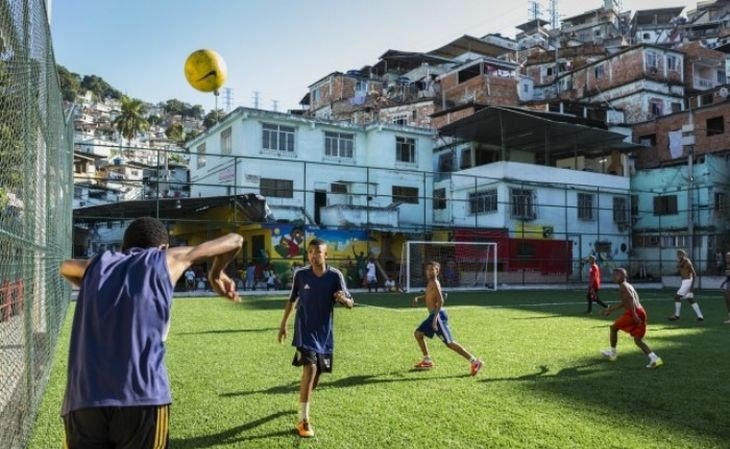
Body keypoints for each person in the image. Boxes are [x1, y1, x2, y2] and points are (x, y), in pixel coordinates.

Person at [59, 217, 244, 449]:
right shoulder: (166, 259)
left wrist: (96, 285)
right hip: (142, 399)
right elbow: (235, 240)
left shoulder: (96, 265)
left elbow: (65, 266)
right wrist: (215, 275)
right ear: (163, 247)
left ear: (123, 248)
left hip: (83, 400)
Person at [277, 239, 354, 438]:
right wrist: (283, 324)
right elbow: (292, 300)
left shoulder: (335, 275)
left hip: (324, 334)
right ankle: (303, 419)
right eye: (310, 252)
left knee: (318, 373)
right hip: (305, 331)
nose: (313, 255)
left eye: (317, 252)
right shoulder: (300, 275)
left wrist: (343, 299)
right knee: (310, 368)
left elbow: (350, 302)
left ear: (325, 255)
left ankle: (304, 401)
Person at [412, 261, 483, 376]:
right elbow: (429, 296)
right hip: (434, 315)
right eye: (427, 269)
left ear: (437, 271)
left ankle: (475, 362)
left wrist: (435, 319)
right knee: (418, 334)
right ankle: (427, 360)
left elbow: (441, 300)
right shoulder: (430, 283)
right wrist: (418, 298)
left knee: (449, 342)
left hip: (437, 316)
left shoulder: (435, 282)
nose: (429, 271)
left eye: (432, 269)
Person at [600, 268, 663, 369]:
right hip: (641, 311)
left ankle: (613, 354)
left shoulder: (623, 286)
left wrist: (634, 314)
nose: (614, 277)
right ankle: (655, 358)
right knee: (638, 340)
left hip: (633, 313)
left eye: (616, 275)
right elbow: (625, 302)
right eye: (613, 275)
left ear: (622, 276)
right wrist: (611, 309)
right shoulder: (628, 285)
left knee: (613, 328)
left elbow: (630, 299)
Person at [668, 249, 704, 321]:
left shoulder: (687, 262)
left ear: (684, 255)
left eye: (680, 254)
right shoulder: (681, 262)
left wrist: (691, 288)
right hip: (685, 281)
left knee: (677, 297)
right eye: (678, 254)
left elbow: (694, 274)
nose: (678, 256)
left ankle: (677, 315)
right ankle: (700, 316)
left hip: (687, 281)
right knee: (690, 299)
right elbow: (679, 267)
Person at [720, 251, 730, 324]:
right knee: (727, 301)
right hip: (728, 284)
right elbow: (728, 277)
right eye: (726, 256)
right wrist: (723, 283)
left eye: (728, 257)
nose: (727, 258)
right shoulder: (727, 265)